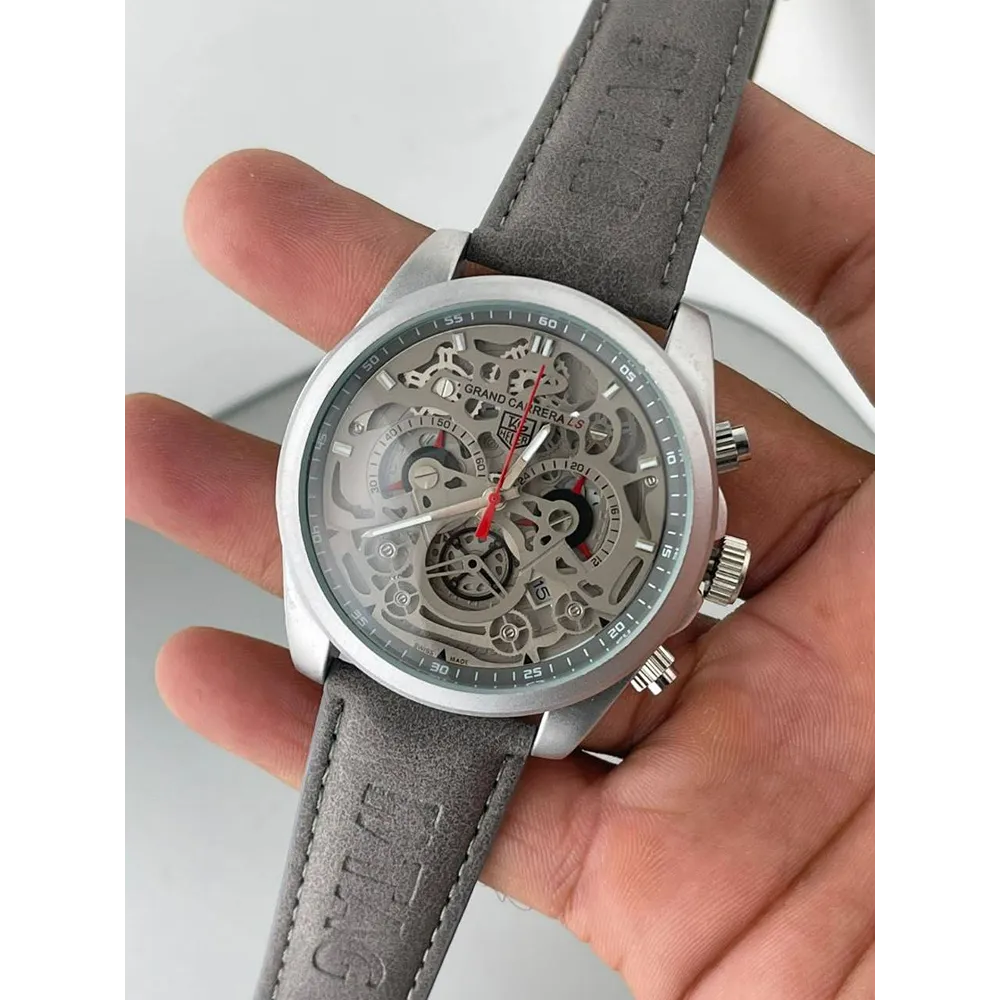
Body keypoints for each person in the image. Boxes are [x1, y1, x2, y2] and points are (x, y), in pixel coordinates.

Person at [123, 85, 877, 999]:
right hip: (391, 605)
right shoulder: (436, 319)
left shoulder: (572, 677)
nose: (498, 505)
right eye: (473, 487)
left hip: (504, 631)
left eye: (552, 511)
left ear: (704, 559)